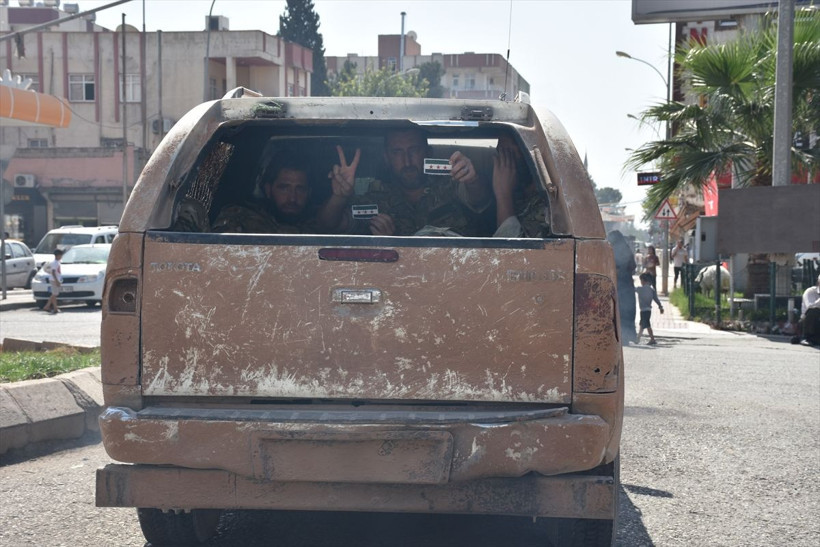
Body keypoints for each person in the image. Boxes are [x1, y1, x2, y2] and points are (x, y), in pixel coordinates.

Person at [318, 128, 490, 236]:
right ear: (386, 158)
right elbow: (329, 226)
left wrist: (472, 179)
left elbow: (480, 199)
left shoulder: (452, 182)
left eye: (413, 150)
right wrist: (338, 197)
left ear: (428, 152)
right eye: (397, 152)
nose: (407, 161)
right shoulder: (374, 198)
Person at [211, 152, 316, 234]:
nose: (292, 198)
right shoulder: (241, 217)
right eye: (284, 188)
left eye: (300, 189)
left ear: (309, 193)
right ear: (268, 190)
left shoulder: (318, 222)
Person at [491, 132, 549, 238]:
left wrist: (503, 195)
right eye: (500, 151)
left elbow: (513, 250)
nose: (504, 160)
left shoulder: (548, 204)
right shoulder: (518, 193)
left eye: (509, 152)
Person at [607, 230, 637, 345]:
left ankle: (620, 336)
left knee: (618, 311)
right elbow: (633, 266)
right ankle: (627, 336)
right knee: (628, 311)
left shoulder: (612, 250)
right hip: (627, 285)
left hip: (619, 285)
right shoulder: (627, 249)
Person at [636, 272, 664, 345]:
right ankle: (638, 339)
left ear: (644, 280)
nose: (641, 282)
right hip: (648, 310)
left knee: (647, 325)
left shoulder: (640, 289)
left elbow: (632, 289)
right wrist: (660, 307)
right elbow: (656, 299)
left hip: (644, 310)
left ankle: (652, 339)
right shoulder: (652, 290)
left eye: (641, 280)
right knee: (642, 325)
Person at [792, 274, 820, 345]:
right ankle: (806, 337)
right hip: (807, 321)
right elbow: (810, 307)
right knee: (813, 311)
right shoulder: (810, 291)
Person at [42, 249, 63, 315]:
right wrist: (57, 281)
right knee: (54, 294)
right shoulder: (55, 263)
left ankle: (55, 308)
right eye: (60, 255)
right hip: (54, 280)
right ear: (57, 255)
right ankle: (47, 306)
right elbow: (53, 272)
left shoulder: (57, 262)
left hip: (55, 279)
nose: (61, 256)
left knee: (54, 294)